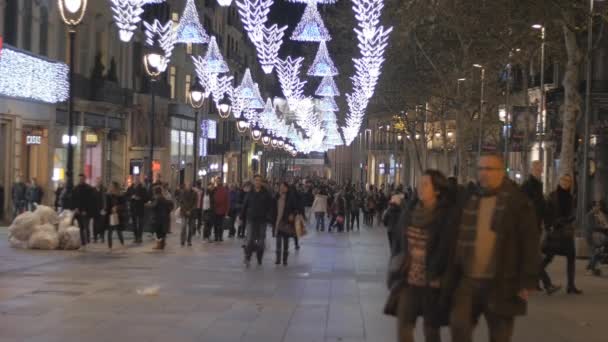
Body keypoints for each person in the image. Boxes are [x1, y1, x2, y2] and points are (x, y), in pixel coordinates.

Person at [446, 154, 540, 342]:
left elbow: (529, 242)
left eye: (489, 169)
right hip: (468, 280)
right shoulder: (469, 199)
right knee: (459, 326)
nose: (484, 173)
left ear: (501, 172)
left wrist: (527, 280)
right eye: (480, 169)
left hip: (502, 281)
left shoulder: (516, 202)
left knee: (500, 335)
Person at [387, 170, 460, 342]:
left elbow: (448, 249)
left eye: (426, 184)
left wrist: (442, 276)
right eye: (420, 183)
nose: (420, 187)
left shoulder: (446, 217)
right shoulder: (410, 211)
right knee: (404, 327)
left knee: (431, 331)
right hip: (408, 280)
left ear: (437, 190)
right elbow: (398, 242)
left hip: (432, 282)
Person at [540, 174, 582, 295]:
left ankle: (571, 286)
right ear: (559, 181)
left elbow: (573, 213)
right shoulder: (552, 196)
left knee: (571, 258)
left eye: (568, 181)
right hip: (554, 233)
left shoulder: (571, 197)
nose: (566, 182)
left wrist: (570, 220)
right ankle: (542, 281)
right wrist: (550, 226)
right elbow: (546, 213)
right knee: (547, 258)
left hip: (567, 233)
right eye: (564, 180)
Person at [241, 175, 273, 267]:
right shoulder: (250, 193)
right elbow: (245, 205)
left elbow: (270, 206)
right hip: (251, 219)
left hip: (262, 220)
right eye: (256, 180)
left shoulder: (266, 193)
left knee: (261, 240)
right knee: (250, 239)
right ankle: (248, 257)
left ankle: (259, 256)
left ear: (261, 182)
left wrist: (269, 217)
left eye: (259, 180)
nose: (257, 182)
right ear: (253, 182)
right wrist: (241, 217)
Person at [274, 182, 299, 266]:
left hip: (286, 222)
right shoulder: (277, 196)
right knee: (278, 241)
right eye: (281, 187)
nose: (282, 188)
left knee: (285, 241)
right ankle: (278, 259)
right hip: (278, 221)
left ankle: (284, 259)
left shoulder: (290, 197)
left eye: (284, 187)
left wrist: (292, 214)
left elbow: (296, 208)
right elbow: (272, 208)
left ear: (287, 188)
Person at [521, 160, 545, 233]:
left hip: (536, 222)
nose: (540, 172)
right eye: (538, 170)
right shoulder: (527, 185)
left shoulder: (539, 184)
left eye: (541, 170)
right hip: (530, 224)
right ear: (532, 170)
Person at [72, 174, 96, 248]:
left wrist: (86, 210)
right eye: (80, 179)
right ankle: (83, 243)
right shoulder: (75, 188)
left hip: (86, 212)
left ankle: (87, 240)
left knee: (86, 226)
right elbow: (74, 199)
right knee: (81, 228)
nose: (81, 180)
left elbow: (90, 201)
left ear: (84, 179)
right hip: (78, 211)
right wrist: (75, 208)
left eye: (82, 179)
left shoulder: (89, 188)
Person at [586, 200, 608, 276]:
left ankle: (591, 268)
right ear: (593, 207)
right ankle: (591, 268)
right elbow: (591, 227)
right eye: (597, 206)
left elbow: (604, 222)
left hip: (598, 235)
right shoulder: (590, 215)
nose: (599, 207)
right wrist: (603, 227)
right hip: (591, 236)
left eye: (599, 206)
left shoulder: (599, 214)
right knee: (595, 252)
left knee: (596, 252)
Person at [147, 186, 173, 250]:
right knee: (162, 232)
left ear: (155, 192)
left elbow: (154, 205)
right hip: (164, 217)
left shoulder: (158, 198)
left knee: (158, 231)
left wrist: (147, 205)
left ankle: (159, 245)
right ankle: (162, 244)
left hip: (159, 217)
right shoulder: (163, 197)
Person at [126, 176, 148, 244]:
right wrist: (131, 197)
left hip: (140, 208)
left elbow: (146, 198)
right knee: (134, 224)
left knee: (140, 223)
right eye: (135, 179)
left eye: (137, 179)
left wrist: (140, 198)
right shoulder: (130, 188)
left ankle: (140, 237)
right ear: (134, 180)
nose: (136, 181)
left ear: (139, 180)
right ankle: (136, 237)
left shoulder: (143, 188)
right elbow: (126, 196)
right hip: (133, 208)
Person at [105, 181, 126, 249]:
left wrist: (117, 207)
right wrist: (106, 210)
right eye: (110, 186)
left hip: (118, 215)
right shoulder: (108, 195)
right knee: (110, 231)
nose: (111, 187)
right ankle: (110, 246)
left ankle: (122, 243)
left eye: (112, 186)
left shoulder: (120, 195)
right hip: (110, 215)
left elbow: (123, 205)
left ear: (115, 187)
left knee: (118, 230)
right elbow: (107, 206)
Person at [179, 182, 197, 247]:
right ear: (186, 186)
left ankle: (189, 241)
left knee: (190, 228)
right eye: (188, 185)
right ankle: (182, 240)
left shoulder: (195, 193)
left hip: (191, 213)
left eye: (190, 185)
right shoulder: (183, 192)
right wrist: (185, 210)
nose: (189, 186)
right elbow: (181, 202)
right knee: (183, 227)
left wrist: (190, 210)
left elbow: (195, 203)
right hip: (184, 212)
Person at [212, 177, 230, 242]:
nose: (218, 182)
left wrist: (227, 211)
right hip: (215, 210)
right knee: (216, 224)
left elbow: (227, 201)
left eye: (219, 181)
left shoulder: (225, 190)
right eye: (217, 181)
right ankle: (216, 236)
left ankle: (220, 236)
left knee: (221, 224)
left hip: (222, 210)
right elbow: (212, 199)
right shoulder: (214, 189)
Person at [93, 178, 107, 243]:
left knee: (102, 224)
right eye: (97, 181)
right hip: (95, 210)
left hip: (102, 209)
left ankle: (102, 237)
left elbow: (105, 199)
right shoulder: (93, 190)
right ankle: (95, 237)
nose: (98, 183)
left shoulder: (103, 189)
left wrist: (104, 208)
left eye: (99, 182)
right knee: (95, 224)